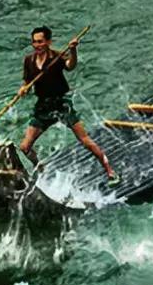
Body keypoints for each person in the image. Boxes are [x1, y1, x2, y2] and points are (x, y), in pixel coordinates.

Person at [19, 26, 119, 185]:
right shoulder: (29, 60)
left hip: (61, 104)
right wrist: (23, 89)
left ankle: (109, 170)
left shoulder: (57, 57)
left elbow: (71, 66)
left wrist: (73, 51)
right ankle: (40, 169)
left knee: (85, 140)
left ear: (48, 42)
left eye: (40, 41)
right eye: (34, 42)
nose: (36, 45)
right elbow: (27, 82)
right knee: (25, 146)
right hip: (43, 106)